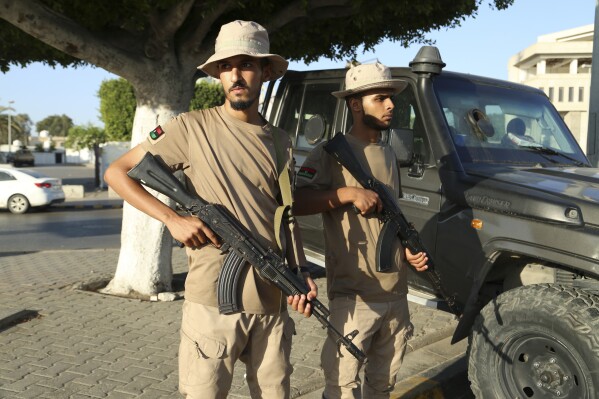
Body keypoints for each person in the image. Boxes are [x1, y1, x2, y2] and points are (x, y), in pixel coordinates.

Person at [104, 20, 317, 399]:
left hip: (271, 303)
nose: (235, 75)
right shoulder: (190, 127)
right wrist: (172, 219)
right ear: (218, 74)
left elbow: (286, 216)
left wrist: (299, 273)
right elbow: (118, 172)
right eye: (226, 66)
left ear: (265, 71)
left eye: (247, 65)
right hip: (212, 303)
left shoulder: (280, 140)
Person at [293, 62, 428, 399]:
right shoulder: (330, 153)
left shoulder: (388, 153)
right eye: (381, 98)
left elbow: (390, 217)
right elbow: (295, 201)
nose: (391, 105)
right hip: (355, 295)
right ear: (355, 104)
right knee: (341, 387)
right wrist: (346, 194)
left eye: (391, 98)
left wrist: (407, 248)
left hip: (395, 293)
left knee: (382, 386)